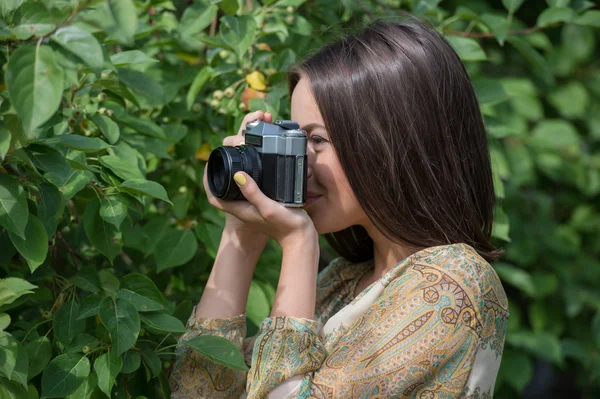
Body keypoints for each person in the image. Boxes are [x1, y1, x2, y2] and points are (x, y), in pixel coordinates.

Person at [169, 16, 509, 399]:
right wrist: (241, 233)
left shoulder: (452, 284)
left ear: (391, 143)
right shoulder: (343, 281)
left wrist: (298, 246)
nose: (301, 163)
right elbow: (196, 392)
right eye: (294, 139)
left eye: (315, 140)